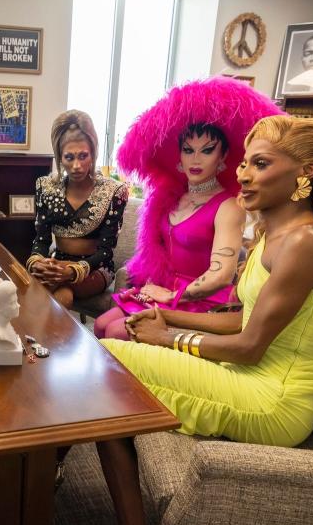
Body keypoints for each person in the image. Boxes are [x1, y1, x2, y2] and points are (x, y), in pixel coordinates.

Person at [96, 115, 313, 525]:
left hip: (277, 398)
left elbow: (249, 346)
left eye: (259, 164)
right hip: (251, 376)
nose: (242, 174)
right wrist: (170, 315)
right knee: (103, 361)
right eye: (244, 163)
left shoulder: (308, 242)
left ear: (305, 171)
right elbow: (243, 317)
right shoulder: (271, 234)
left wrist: (169, 338)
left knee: (104, 365)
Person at [94, 77, 284, 340]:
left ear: (223, 157)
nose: (195, 159)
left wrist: (173, 295)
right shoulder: (172, 197)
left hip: (199, 301)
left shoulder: (229, 206)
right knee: (102, 324)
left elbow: (221, 275)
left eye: (207, 150)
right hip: (160, 290)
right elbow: (157, 251)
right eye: (188, 150)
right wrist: (153, 282)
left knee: (116, 331)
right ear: (179, 157)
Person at [27, 110, 128, 311]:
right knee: (32, 287)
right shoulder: (46, 187)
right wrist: (37, 262)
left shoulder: (114, 191)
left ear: (93, 153)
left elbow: (106, 251)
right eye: (69, 157)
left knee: (62, 293)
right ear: (59, 156)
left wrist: (73, 271)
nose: (76, 166)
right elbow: (42, 240)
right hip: (58, 261)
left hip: (96, 268)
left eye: (83, 156)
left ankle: (49, 339)